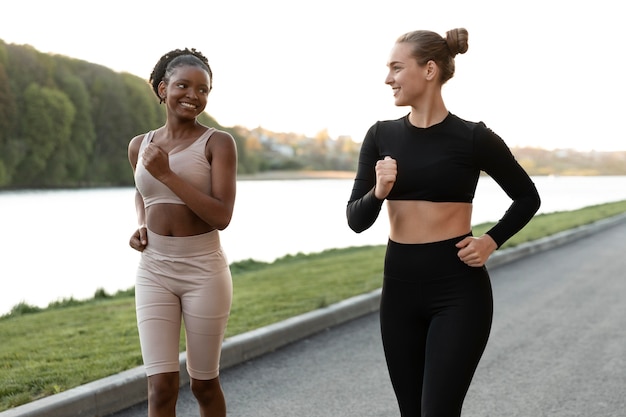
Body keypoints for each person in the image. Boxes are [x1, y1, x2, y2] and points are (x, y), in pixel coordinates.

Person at [346, 28, 540, 416]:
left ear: (430, 70)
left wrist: (490, 241)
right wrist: (379, 191)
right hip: (398, 290)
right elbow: (356, 219)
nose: (388, 78)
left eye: (397, 68)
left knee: (438, 411)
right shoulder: (380, 135)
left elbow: (527, 197)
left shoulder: (473, 138)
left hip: (457, 291)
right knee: (411, 412)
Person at [128, 47, 237, 417]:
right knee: (160, 388)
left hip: (204, 269)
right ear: (162, 88)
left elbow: (221, 215)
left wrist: (167, 174)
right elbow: (143, 193)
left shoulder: (218, 143)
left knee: (204, 385)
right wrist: (141, 225)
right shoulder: (139, 146)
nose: (193, 95)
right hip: (154, 268)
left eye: (203, 89)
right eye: (183, 86)